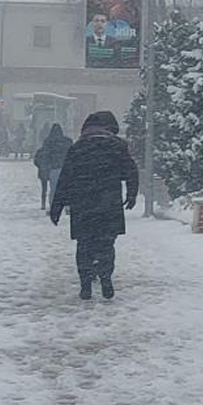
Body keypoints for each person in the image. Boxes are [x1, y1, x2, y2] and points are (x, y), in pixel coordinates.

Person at [49, 111, 139, 301]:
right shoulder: (117, 146)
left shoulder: (78, 147)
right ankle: (105, 278)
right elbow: (130, 171)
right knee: (107, 243)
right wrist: (131, 193)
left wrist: (57, 206)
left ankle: (85, 283)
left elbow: (65, 178)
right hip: (109, 204)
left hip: (83, 205)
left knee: (84, 244)